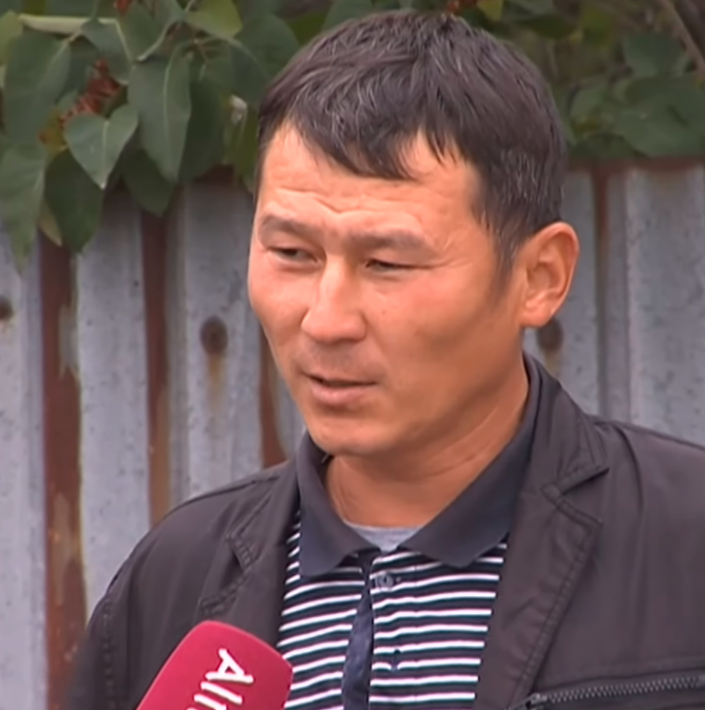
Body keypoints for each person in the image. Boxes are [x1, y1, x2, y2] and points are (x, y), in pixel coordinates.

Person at [65, 10, 705, 710]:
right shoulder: (174, 583)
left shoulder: (682, 546)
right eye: (292, 253)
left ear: (538, 277)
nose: (326, 320)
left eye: (387, 263)